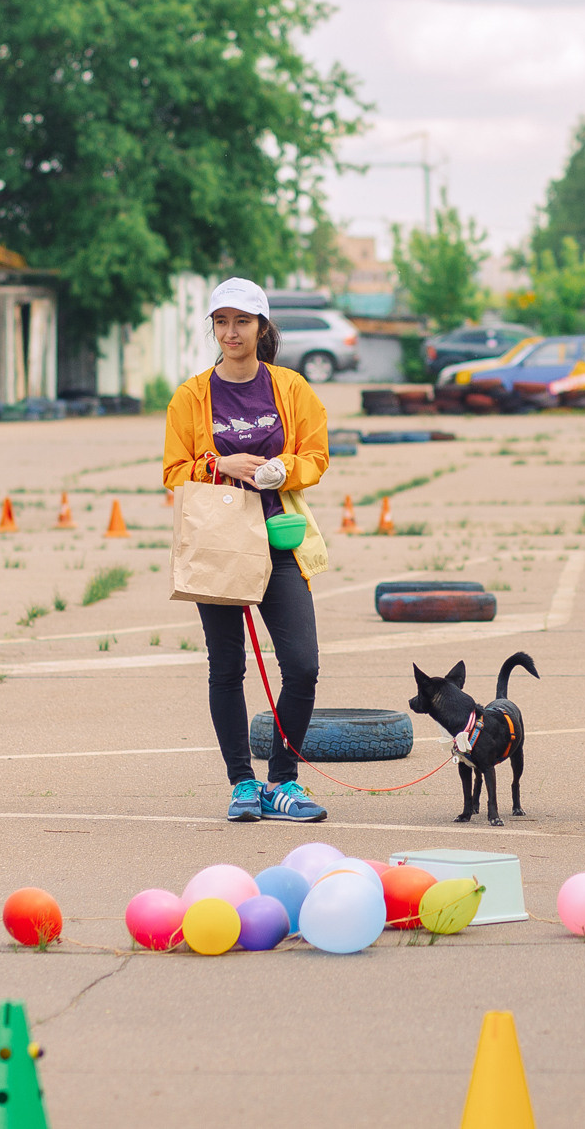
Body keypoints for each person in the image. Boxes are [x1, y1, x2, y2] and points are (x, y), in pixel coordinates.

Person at [162, 277, 333, 824]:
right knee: (227, 667)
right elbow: (173, 470)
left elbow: (317, 453)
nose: (231, 332)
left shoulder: (290, 387)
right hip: (219, 543)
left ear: (262, 327)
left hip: (279, 538)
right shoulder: (191, 395)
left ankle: (283, 780)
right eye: (221, 322)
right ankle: (243, 784)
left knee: (302, 666)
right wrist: (219, 465)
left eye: (242, 321)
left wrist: (288, 467)